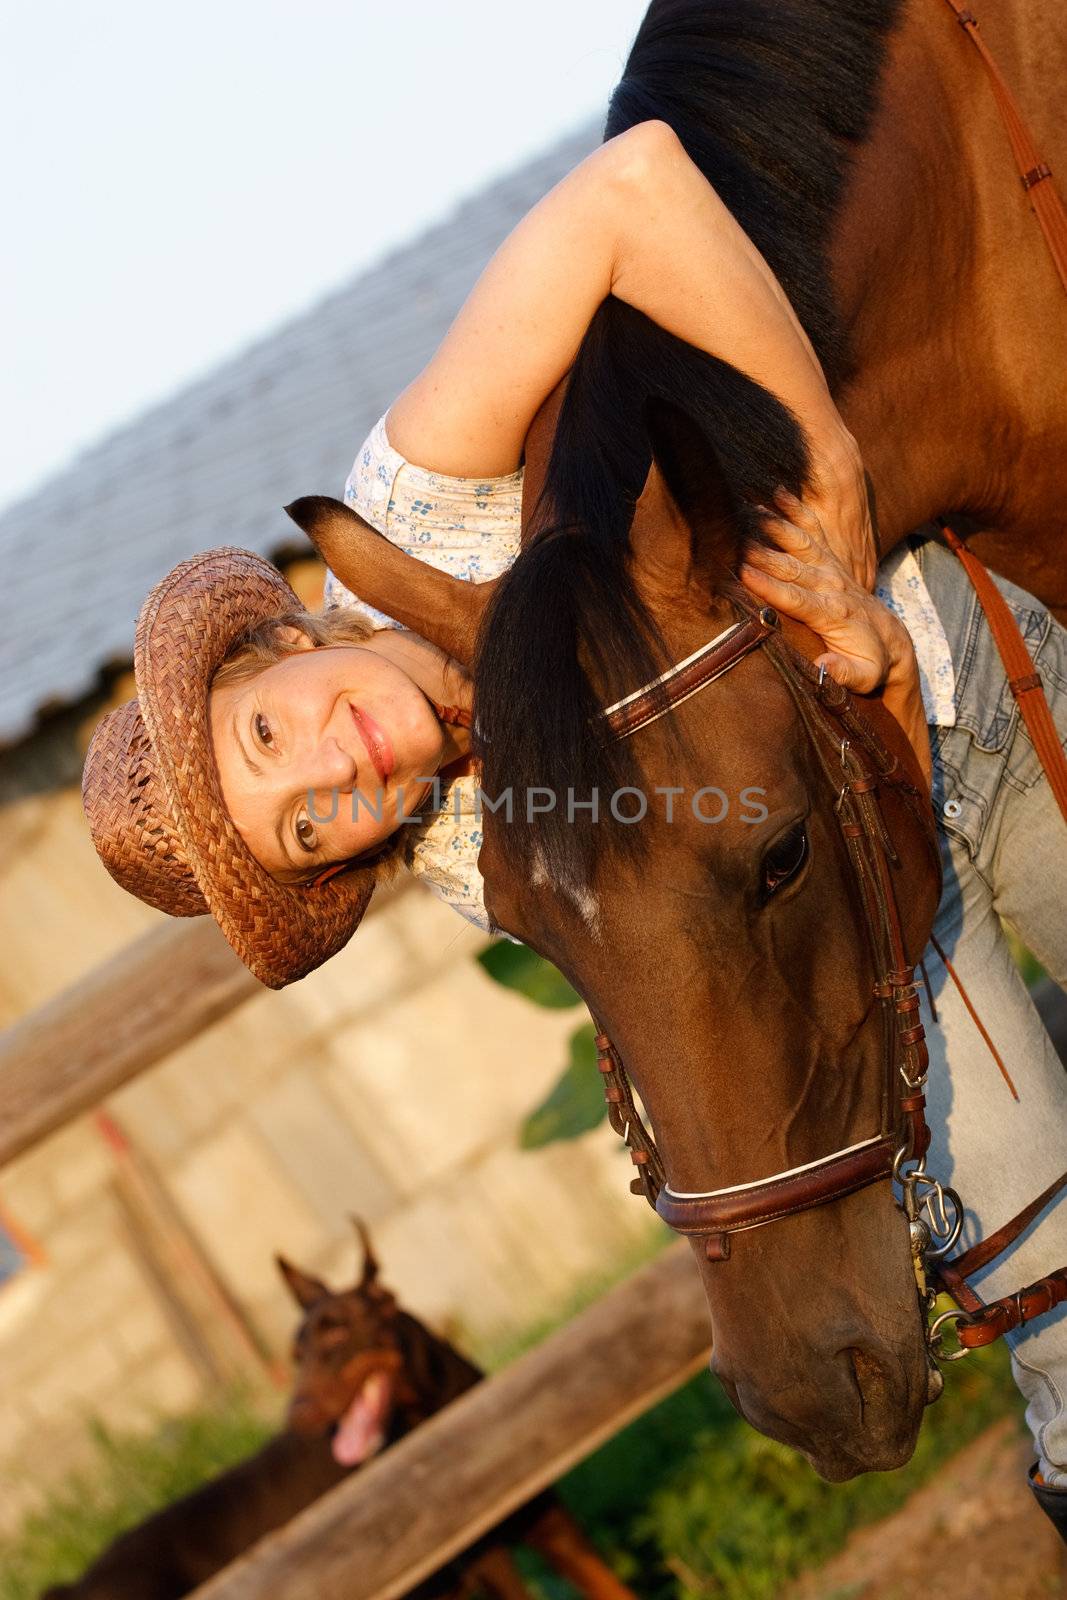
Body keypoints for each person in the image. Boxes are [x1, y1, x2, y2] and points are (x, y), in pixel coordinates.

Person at [81, 120, 1067, 1523]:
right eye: (303, 827)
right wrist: (880, 686)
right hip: (884, 874)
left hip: (976, 683)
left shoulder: (419, 498)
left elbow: (637, 183)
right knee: (1053, 1297)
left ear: (277, 649)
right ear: (340, 868)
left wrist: (830, 466)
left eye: (265, 731)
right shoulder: (489, 859)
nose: (328, 770)